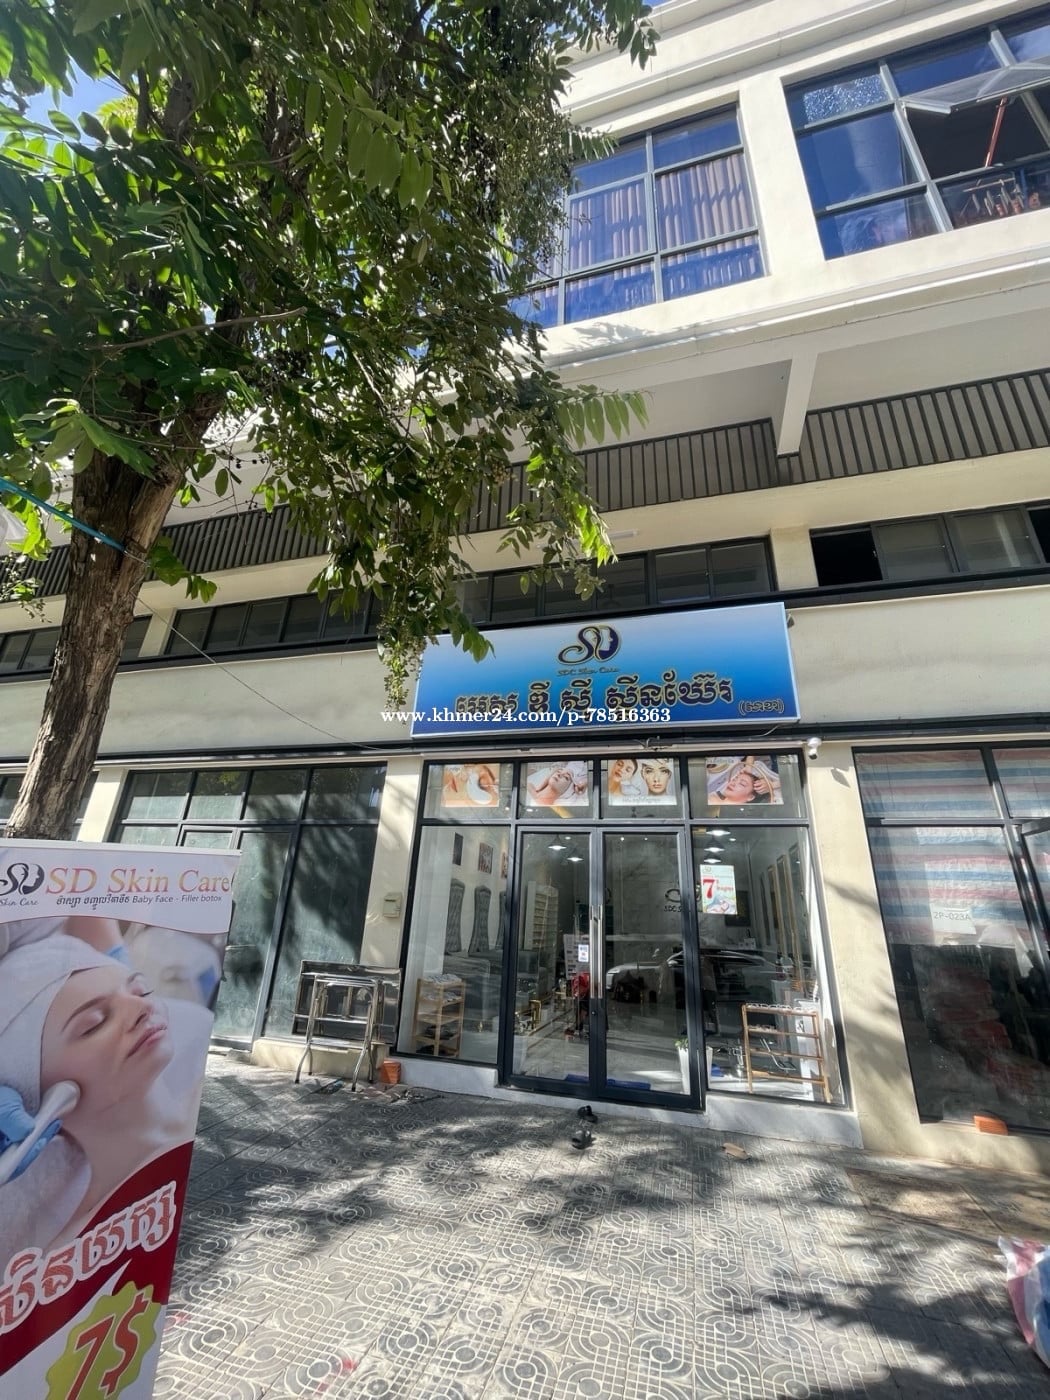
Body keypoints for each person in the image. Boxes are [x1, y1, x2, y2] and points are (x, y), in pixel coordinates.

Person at [0, 932, 212, 1253]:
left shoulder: (221, 1122)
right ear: (44, 1097)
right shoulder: (75, 1252)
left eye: (141, 990)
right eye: (94, 1024)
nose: (141, 1006)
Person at [707, 755, 781, 805]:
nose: (733, 783)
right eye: (734, 779)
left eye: (742, 784)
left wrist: (772, 785)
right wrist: (748, 765)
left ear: (750, 797)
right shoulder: (711, 798)